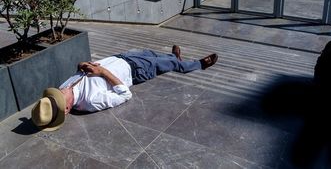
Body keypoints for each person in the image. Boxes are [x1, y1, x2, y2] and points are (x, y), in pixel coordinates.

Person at [31, 46, 218, 131]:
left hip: (122, 57)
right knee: (169, 65)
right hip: (135, 70)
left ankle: (172, 56)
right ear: (67, 109)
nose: (62, 90)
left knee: (153, 54)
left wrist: (82, 65)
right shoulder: (90, 102)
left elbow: (80, 75)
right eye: (61, 96)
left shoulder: (63, 90)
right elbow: (125, 94)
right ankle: (197, 64)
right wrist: (102, 71)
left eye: (56, 94)